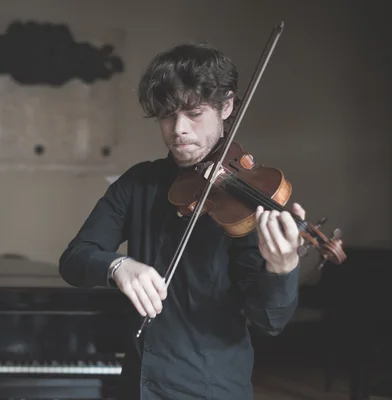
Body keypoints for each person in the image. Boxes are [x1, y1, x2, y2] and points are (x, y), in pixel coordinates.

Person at [58, 42, 304, 400]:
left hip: (210, 389)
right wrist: (118, 265)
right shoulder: (138, 183)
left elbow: (270, 322)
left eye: (194, 113)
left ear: (227, 107)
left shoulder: (249, 203)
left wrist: (281, 268)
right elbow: (75, 258)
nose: (179, 130)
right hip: (137, 388)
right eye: (168, 115)